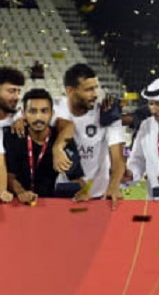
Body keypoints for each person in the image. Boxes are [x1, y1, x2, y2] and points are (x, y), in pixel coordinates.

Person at [53, 63, 125, 205]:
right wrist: (19, 120)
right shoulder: (56, 108)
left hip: (98, 196)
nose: (95, 95)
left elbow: (118, 159)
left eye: (95, 88)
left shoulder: (106, 114)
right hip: (65, 193)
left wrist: (113, 186)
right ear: (70, 91)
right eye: (89, 89)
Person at [4, 89, 66, 203]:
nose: (38, 117)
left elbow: (77, 178)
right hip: (18, 204)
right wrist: (21, 192)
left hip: (52, 205)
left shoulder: (60, 137)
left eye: (44, 111)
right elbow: (9, 176)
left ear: (52, 113)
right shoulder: (13, 136)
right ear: (23, 113)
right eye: (32, 111)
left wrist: (83, 191)